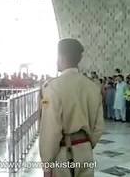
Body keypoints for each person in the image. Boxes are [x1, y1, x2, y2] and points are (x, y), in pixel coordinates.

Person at [39, 38, 104, 177]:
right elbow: (99, 127)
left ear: (61, 57)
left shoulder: (53, 87)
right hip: (85, 150)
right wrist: (87, 144)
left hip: (63, 153)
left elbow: (51, 130)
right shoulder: (92, 87)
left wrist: (47, 163)